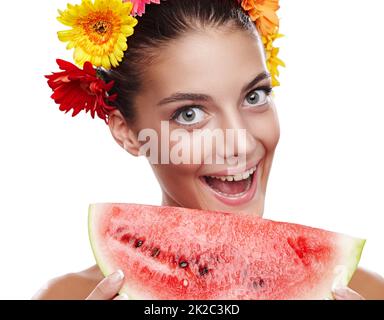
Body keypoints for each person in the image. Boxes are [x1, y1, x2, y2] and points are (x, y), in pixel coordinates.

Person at [37, 0, 384, 300]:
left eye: (255, 96)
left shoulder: (368, 291)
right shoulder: (67, 296)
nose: (241, 143)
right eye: (189, 114)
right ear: (127, 132)